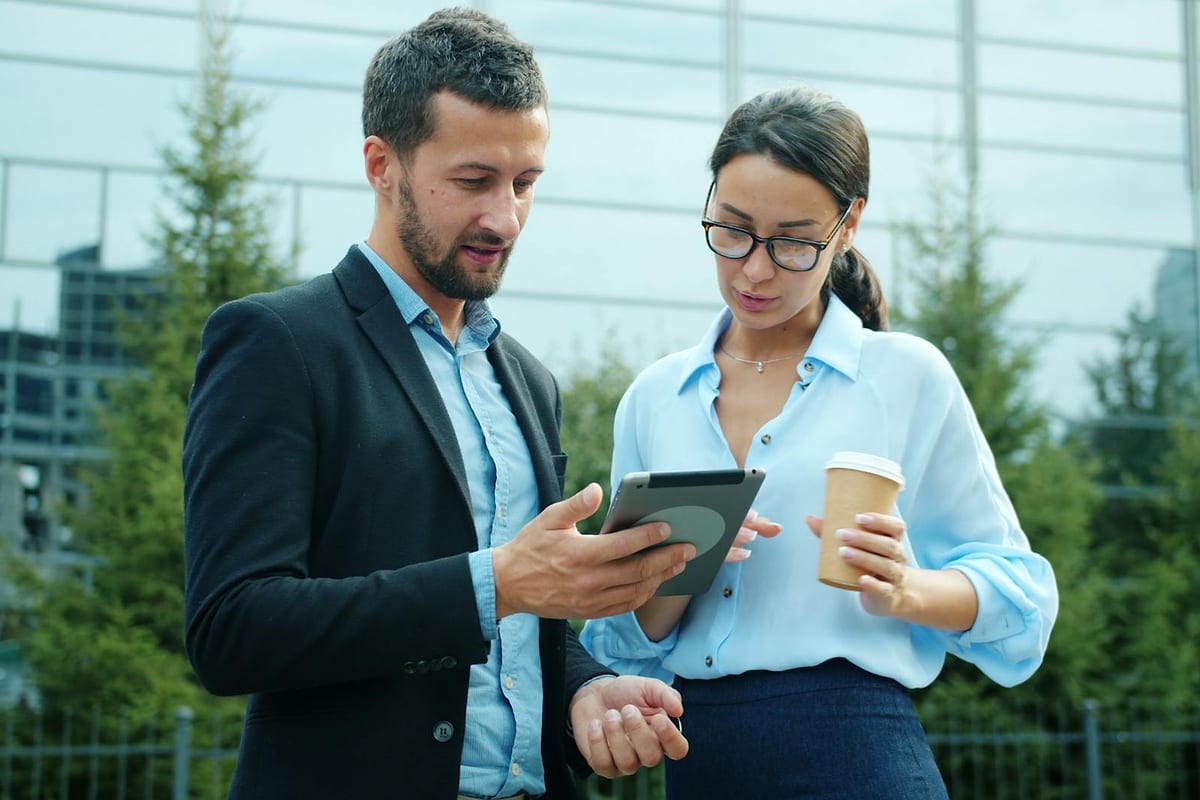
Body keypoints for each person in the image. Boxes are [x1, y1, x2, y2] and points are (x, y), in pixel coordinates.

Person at [181, 8, 694, 799]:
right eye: (472, 181)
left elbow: (529, 632)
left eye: (525, 183)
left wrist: (585, 691)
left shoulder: (527, 380)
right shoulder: (277, 343)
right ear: (381, 164)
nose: (506, 217)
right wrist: (497, 585)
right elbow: (232, 629)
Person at [580, 85, 1059, 799]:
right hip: (699, 759)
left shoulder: (906, 378)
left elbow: (1024, 605)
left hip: (859, 756)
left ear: (849, 225)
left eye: (794, 242)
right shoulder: (654, 398)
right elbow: (622, 643)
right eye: (732, 229)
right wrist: (677, 565)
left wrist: (908, 588)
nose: (755, 268)